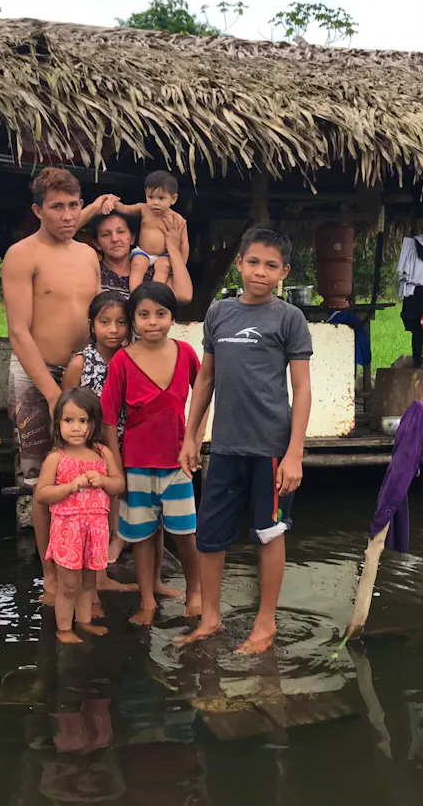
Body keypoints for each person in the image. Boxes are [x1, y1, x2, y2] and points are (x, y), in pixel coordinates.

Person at [177, 227, 313, 654]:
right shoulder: (219, 313)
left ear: (283, 272)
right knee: (209, 534)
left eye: (271, 265)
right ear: (239, 263)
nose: (260, 271)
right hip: (226, 447)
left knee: (270, 533)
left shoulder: (288, 318)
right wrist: (191, 434)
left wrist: (294, 454)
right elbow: (206, 377)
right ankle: (211, 619)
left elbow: (302, 389)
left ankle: (266, 624)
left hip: (271, 449)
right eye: (253, 262)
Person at [4, 167, 101, 605]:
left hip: (82, 371)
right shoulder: (22, 255)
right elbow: (19, 331)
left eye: (73, 206)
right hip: (35, 370)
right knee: (38, 475)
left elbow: (99, 321)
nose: (66, 215)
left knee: (87, 466)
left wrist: (91, 373)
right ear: (37, 210)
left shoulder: (88, 255)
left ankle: (87, 569)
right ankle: (46, 569)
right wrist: (50, 392)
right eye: (56, 207)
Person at [100, 282, 202, 625]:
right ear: (133, 320)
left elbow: (202, 398)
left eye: (161, 314)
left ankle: (196, 592)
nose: (153, 322)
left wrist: (196, 440)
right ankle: (147, 600)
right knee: (141, 536)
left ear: (172, 317)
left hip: (177, 463)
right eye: (143, 315)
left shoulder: (186, 353)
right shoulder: (123, 362)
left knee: (185, 534)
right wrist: (115, 465)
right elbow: (109, 418)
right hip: (136, 465)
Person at [34, 387, 126, 644]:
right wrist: (69, 486)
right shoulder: (56, 458)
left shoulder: (102, 454)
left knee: (89, 582)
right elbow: (42, 493)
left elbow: (119, 486)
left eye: (83, 421)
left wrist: (105, 481)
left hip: (95, 531)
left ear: (93, 423)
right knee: (69, 585)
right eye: (68, 420)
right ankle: (64, 629)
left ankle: (84, 622)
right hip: (68, 532)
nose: (75, 428)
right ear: (58, 423)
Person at [97, 171, 189, 292]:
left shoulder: (178, 219)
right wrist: (110, 202)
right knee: (137, 265)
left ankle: (155, 294)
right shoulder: (143, 209)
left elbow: (184, 244)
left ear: (173, 199)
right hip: (142, 252)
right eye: (151, 197)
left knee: (164, 268)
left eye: (161, 198)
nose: (155, 202)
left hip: (163, 255)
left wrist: (181, 265)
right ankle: (135, 293)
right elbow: (124, 208)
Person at [91, 210, 193, 303]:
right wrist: (95, 207)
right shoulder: (94, 272)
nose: (115, 239)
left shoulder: (152, 272)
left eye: (121, 232)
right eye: (106, 234)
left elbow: (184, 295)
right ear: (97, 243)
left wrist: (172, 246)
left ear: (132, 238)